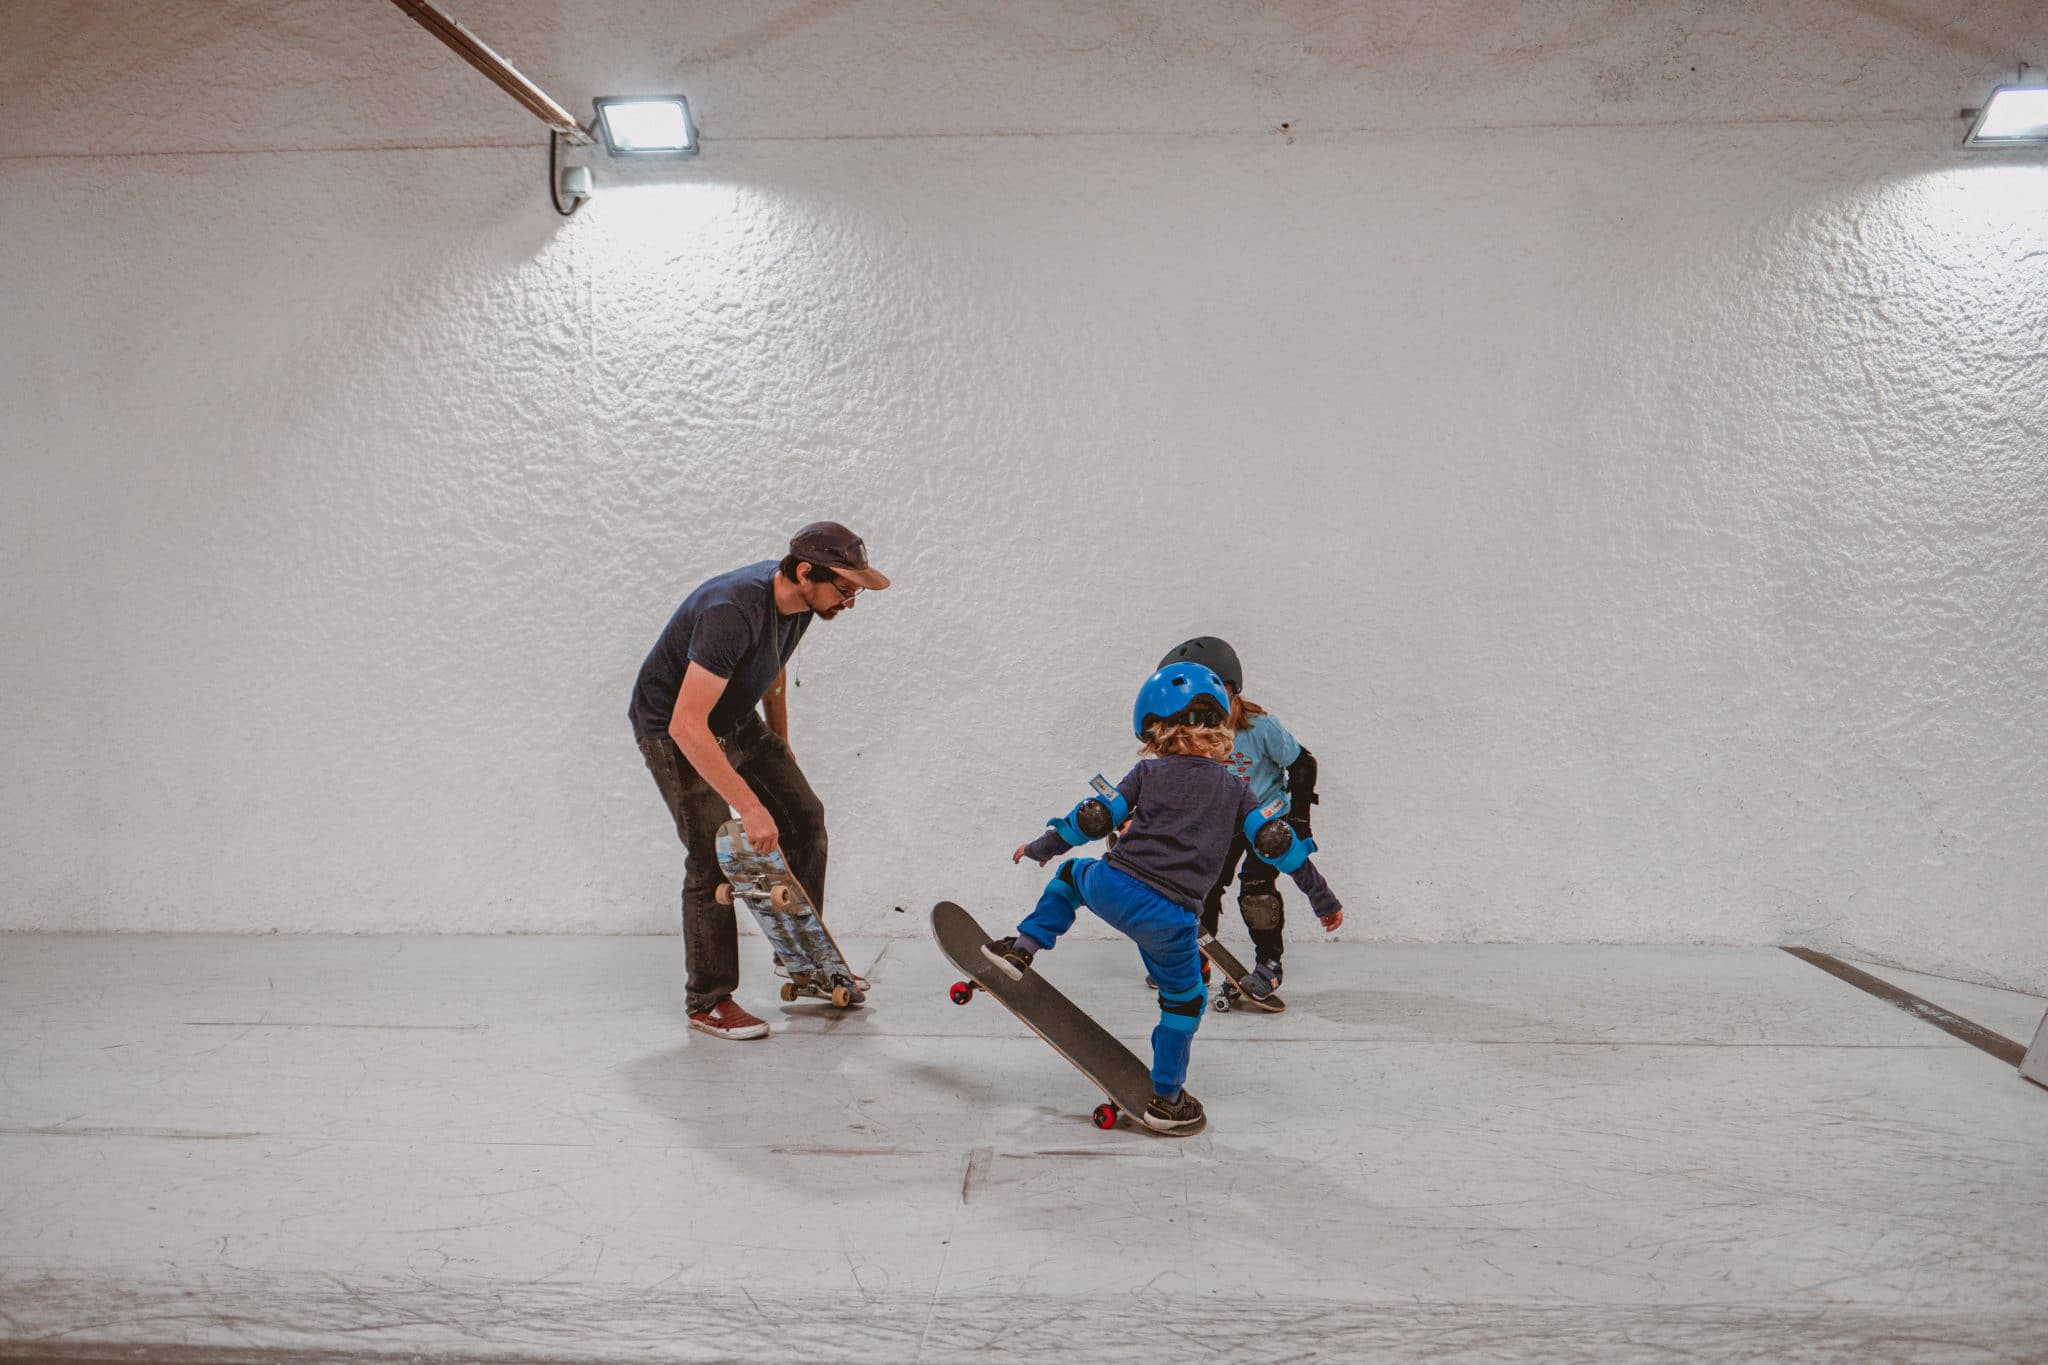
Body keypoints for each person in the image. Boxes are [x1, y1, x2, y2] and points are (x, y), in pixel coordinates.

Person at [983, 662, 1316, 1134]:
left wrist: (1041, 847)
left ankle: (1022, 949)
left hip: (1111, 888)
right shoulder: (1238, 790)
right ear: (1222, 729)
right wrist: (1322, 900)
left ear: (1153, 731)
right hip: (1171, 921)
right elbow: (1280, 845)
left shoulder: (1146, 773)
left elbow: (1093, 819)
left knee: (1071, 874)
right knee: (1183, 1001)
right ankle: (1167, 1099)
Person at [630, 521, 889, 1040]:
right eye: (844, 590)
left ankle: (801, 956)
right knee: (712, 855)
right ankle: (708, 1001)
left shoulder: (803, 605)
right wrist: (748, 807)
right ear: (802, 572)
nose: (849, 603)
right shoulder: (731, 611)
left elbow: (772, 668)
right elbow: (686, 725)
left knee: (804, 818)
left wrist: (781, 741)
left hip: (735, 719)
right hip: (674, 729)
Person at [1158, 637, 1344, 1002]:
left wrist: (1300, 822)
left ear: (1227, 689)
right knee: (1203, 887)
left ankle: (1269, 964)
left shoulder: (1259, 727)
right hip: (1224, 820)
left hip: (1265, 818)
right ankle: (1200, 958)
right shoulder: (1194, 733)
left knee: (1256, 888)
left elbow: (1303, 766)